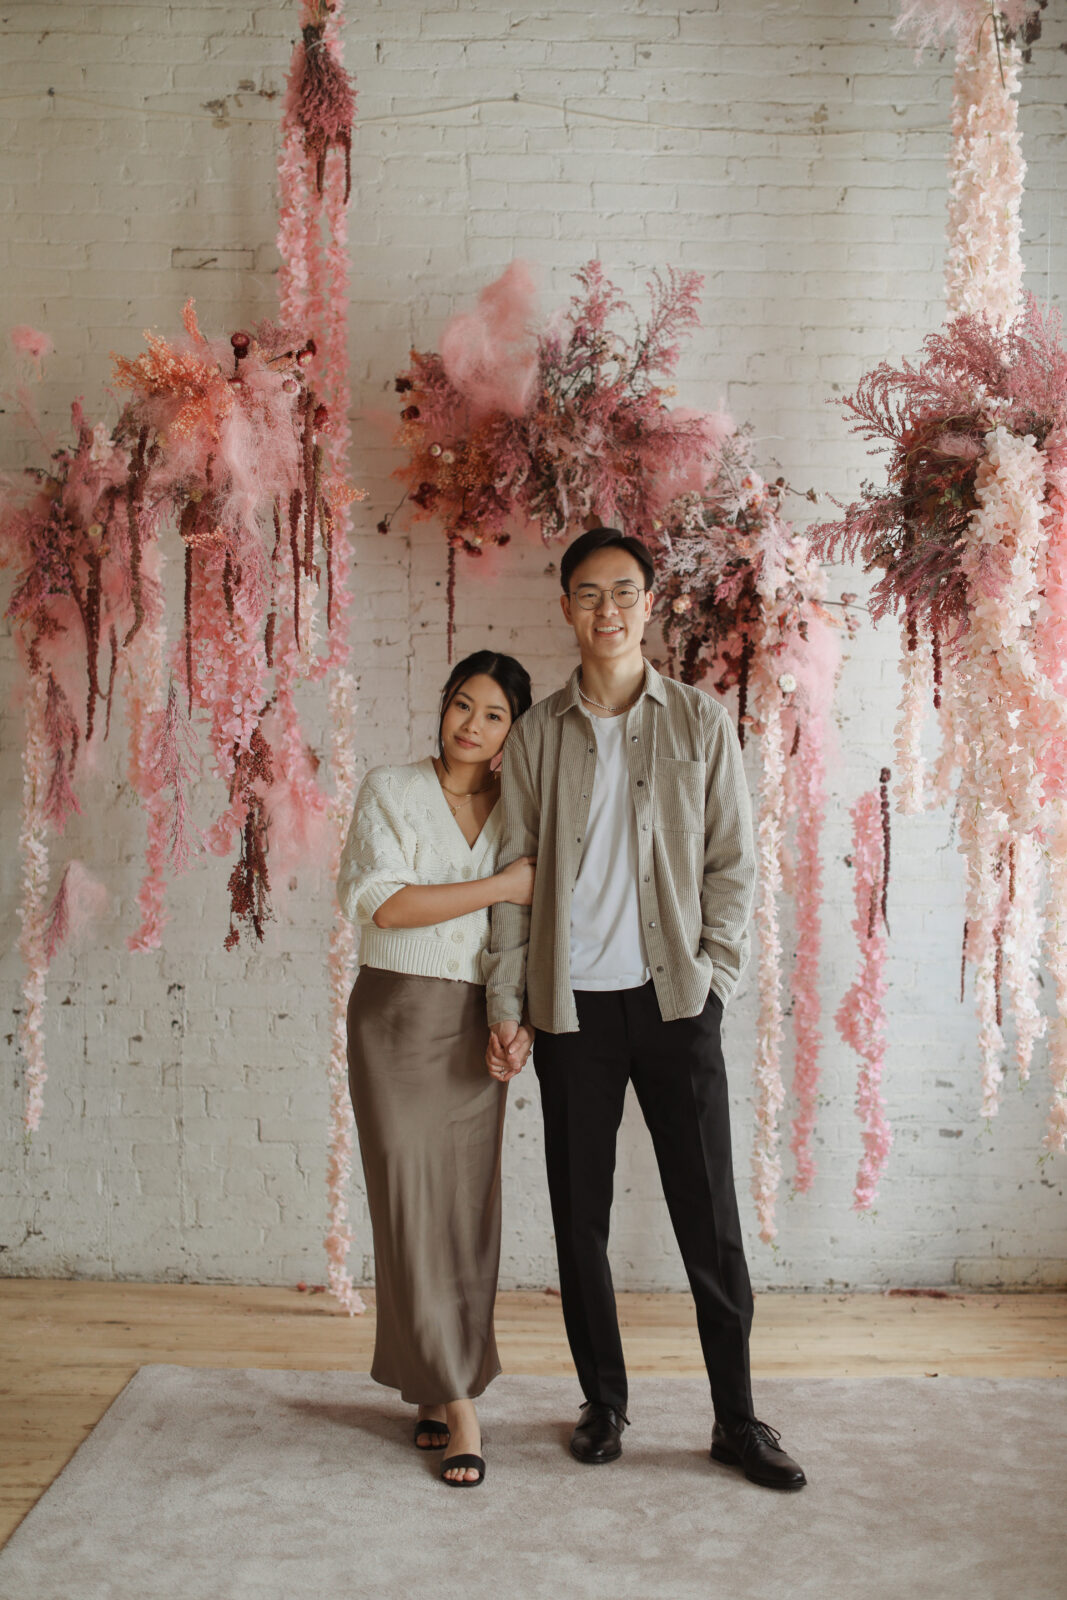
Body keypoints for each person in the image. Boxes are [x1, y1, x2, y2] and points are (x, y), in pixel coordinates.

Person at [485, 528, 806, 1491]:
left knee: (706, 1216)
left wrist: (714, 975)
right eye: (589, 593)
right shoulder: (538, 732)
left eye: (625, 590)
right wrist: (509, 997)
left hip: (675, 1005)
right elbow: (512, 880)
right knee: (577, 1216)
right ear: (567, 608)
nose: (609, 609)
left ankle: (737, 1420)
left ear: (651, 601)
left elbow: (733, 866)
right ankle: (603, 1401)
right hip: (571, 1009)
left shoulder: (700, 723)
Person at [337, 650, 535, 1488]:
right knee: (410, 1206)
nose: (471, 725)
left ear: (511, 731)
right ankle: (459, 1403)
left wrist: (507, 1018)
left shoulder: (518, 812)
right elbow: (385, 903)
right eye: (462, 704)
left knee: (467, 1208)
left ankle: (427, 1384)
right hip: (395, 1017)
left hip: (471, 1026)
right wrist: (501, 885)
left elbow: (514, 938)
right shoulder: (390, 787)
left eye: (492, 714)